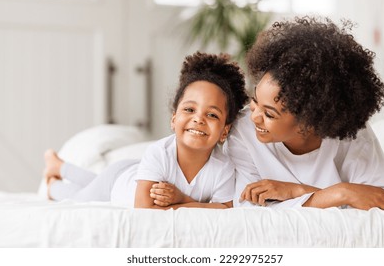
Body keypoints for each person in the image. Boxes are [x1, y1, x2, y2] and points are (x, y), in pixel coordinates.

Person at [222, 16, 384, 210]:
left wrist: (295, 192)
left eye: (269, 114)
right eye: (255, 101)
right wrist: (342, 194)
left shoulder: (351, 132)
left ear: (308, 122)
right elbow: (247, 209)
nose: (254, 116)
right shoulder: (243, 131)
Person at [43, 51, 249, 209]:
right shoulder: (159, 153)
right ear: (174, 119)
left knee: (92, 182)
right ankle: (53, 182)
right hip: (119, 179)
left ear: (224, 131)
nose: (199, 119)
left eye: (212, 115)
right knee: (80, 198)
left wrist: (182, 198)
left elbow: (223, 209)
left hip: (136, 172)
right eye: (189, 109)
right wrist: (192, 204)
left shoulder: (223, 167)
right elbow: (145, 210)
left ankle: (58, 166)